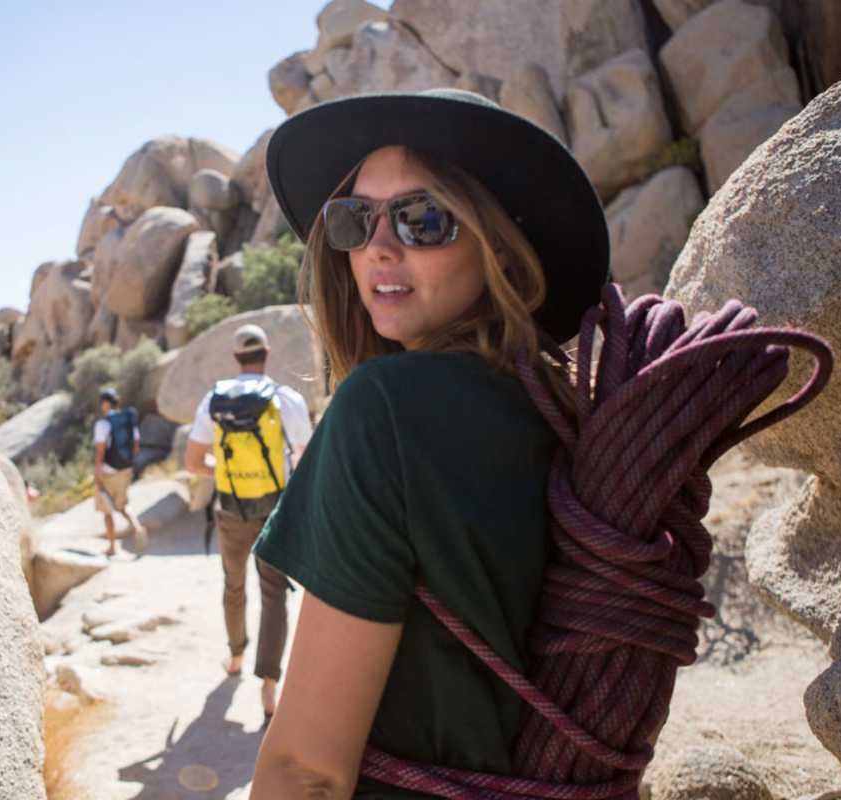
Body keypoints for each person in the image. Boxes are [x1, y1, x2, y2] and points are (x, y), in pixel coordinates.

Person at [249, 88, 608, 797]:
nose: (379, 247)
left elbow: (308, 771)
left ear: (499, 245)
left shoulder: (382, 411)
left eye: (424, 219)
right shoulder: (569, 410)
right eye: (354, 219)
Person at [184, 323, 313, 721]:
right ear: (267, 354)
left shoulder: (214, 400)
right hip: (275, 509)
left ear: (236, 357)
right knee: (274, 594)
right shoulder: (284, 399)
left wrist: (225, 475)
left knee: (233, 584)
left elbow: (192, 462)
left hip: (230, 510)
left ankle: (236, 656)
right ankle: (269, 688)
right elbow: (305, 457)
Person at [93, 386, 147, 557]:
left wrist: (97, 473)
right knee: (123, 505)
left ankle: (112, 547)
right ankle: (137, 527)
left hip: (108, 471)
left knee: (106, 510)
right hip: (126, 469)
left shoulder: (103, 424)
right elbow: (136, 446)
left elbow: (100, 451)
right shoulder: (128, 421)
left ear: (106, 403)